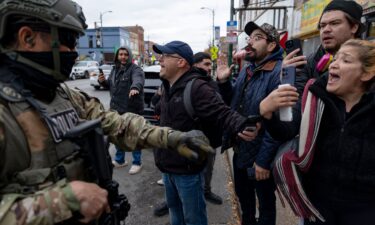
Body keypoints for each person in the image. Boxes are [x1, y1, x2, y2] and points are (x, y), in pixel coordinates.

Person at [0, 1, 214, 224]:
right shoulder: (6, 112)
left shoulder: (64, 95)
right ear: (27, 38)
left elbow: (113, 123)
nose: (73, 52)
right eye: (68, 40)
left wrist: (170, 137)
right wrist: (61, 202)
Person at [260, 39, 375, 225]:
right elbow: (285, 130)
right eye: (335, 59)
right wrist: (268, 114)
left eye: (345, 60)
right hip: (317, 210)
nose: (335, 64)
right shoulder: (316, 96)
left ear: (367, 73)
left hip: (364, 212)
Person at [152, 40, 256, 225]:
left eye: (165, 56)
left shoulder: (197, 87)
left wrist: (242, 125)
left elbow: (222, 112)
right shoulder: (167, 85)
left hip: (187, 171)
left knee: (193, 219)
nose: (160, 60)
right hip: (166, 167)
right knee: (175, 214)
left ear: (181, 62)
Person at [216, 22, 283, 225]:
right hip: (240, 150)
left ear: (271, 45)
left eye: (257, 38)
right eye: (249, 38)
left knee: (265, 206)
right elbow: (232, 103)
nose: (250, 43)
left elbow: (279, 123)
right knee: (244, 200)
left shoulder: (279, 72)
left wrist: (263, 161)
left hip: (261, 158)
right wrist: (224, 82)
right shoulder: (248, 70)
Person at [284, 0, 364, 95]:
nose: (326, 30)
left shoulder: (368, 61)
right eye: (322, 26)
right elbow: (295, 101)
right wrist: (287, 77)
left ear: (354, 27)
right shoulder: (309, 63)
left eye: (335, 23)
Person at [98, 46, 144, 175]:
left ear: (129, 55)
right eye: (120, 54)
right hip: (116, 109)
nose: (123, 57)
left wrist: (135, 87)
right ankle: (120, 160)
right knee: (117, 135)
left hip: (132, 109)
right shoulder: (115, 70)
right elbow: (111, 86)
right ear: (117, 56)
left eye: (125, 54)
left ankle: (137, 162)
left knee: (134, 136)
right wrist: (102, 82)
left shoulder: (135, 69)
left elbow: (138, 79)